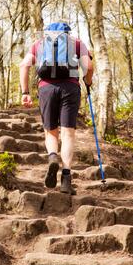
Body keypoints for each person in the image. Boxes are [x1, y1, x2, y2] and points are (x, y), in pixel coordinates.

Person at [19, 22, 93, 195]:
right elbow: (88, 67)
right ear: (67, 32)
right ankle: (66, 178)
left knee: (51, 131)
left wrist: (25, 92)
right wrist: (88, 82)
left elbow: (24, 65)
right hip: (70, 87)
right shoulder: (75, 42)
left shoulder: (39, 44)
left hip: (46, 89)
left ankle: (53, 156)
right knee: (68, 133)